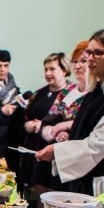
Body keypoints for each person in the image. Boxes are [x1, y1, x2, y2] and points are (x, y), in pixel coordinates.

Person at [35, 28, 104, 197]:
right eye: (89, 52)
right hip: (85, 175)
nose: (89, 59)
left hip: (103, 183)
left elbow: (99, 143)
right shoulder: (98, 90)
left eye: (98, 53)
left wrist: (58, 151)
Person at [37, 42, 90, 191]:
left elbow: (91, 126)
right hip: (57, 155)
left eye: (83, 61)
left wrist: (67, 129)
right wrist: (53, 131)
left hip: (80, 160)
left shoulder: (95, 95)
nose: (78, 66)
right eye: (75, 61)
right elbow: (50, 119)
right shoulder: (68, 91)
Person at [19, 53, 70, 201]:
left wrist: (44, 126)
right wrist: (27, 125)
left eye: (52, 69)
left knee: (53, 199)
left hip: (55, 151)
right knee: (39, 197)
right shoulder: (39, 93)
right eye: (46, 69)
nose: (48, 73)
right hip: (35, 148)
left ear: (64, 70)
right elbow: (26, 115)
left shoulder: (70, 94)